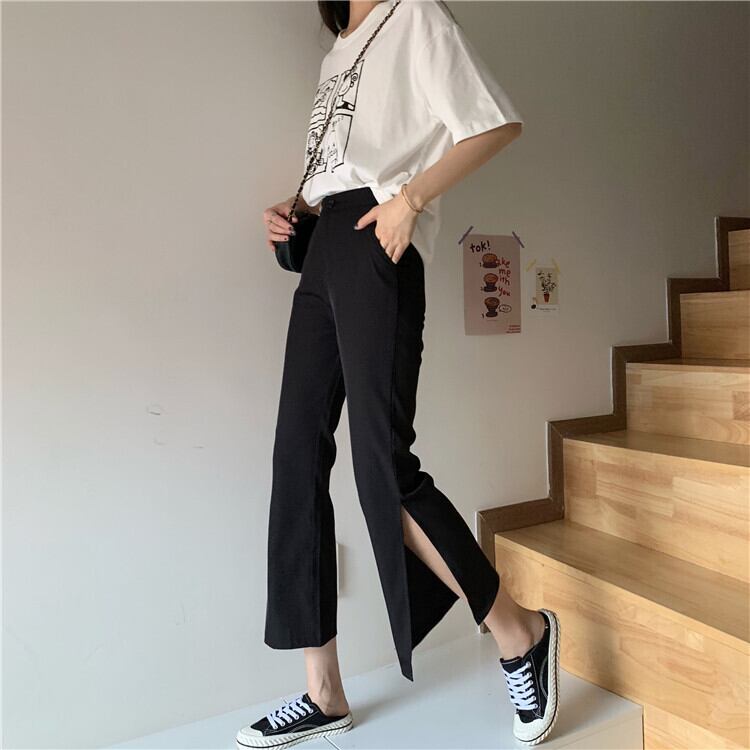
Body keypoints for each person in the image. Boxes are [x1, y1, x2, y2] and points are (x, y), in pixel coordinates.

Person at [238, 1, 561, 747]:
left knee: (382, 464)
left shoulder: (413, 13)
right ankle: (323, 693)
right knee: (295, 459)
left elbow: (494, 124)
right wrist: (295, 208)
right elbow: (347, 156)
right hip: (324, 245)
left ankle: (521, 633)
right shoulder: (337, 51)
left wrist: (410, 201)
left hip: (378, 239)